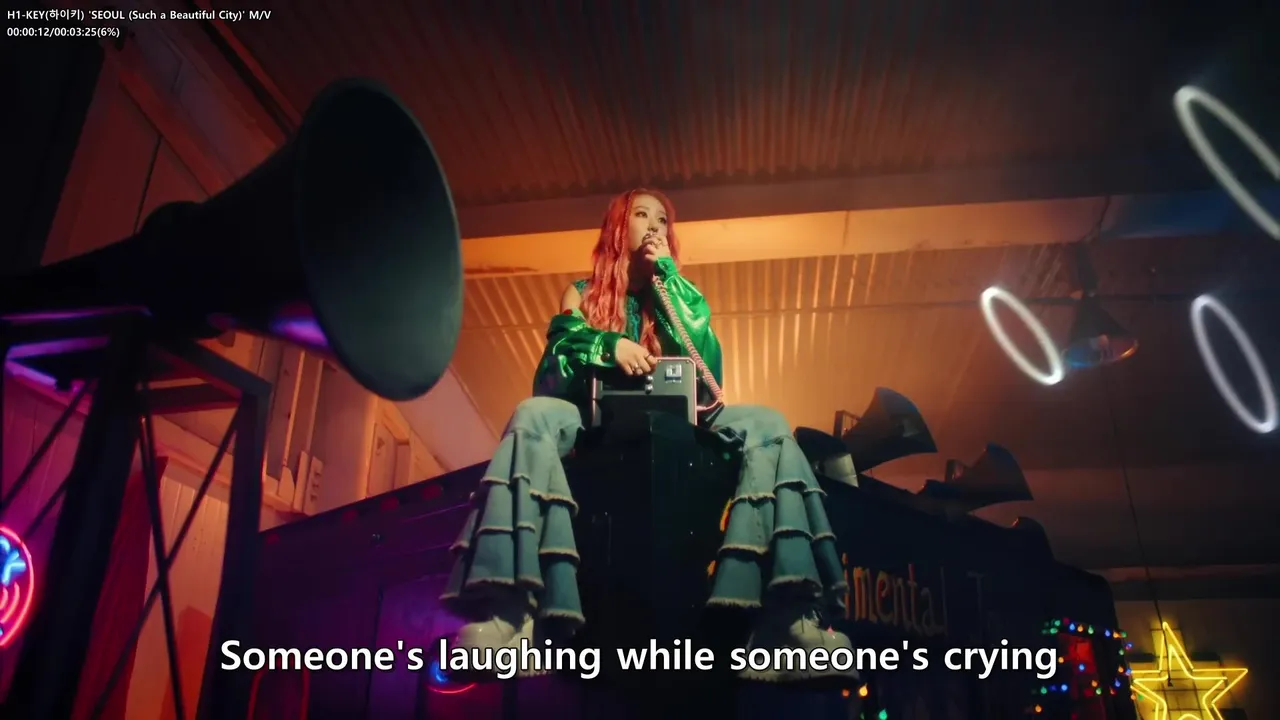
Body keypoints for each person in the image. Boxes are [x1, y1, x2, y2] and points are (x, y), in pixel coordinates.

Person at [440, 188, 855, 683]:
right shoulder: (581, 293)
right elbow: (555, 366)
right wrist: (607, 345)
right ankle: (510, 612)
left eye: (663, 220)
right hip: (593, 419)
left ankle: (788, 620)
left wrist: (670, 283)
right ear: (619, 227)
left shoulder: (679, 294)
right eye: (642, 214)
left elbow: (709, 375)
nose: (655, 225)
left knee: (768, 424)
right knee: (531, 414)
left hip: (684, 419)